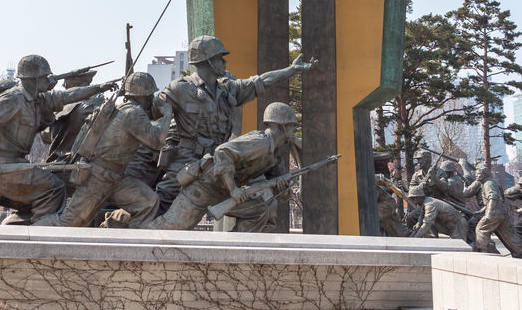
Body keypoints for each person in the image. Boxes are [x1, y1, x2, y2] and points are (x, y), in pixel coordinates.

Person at [0, 55, 114, 225]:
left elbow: (68, 95)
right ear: (33, 79)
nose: (49, 80)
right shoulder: (14, 98)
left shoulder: (37, 99)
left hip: (10, 165)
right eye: (44, 77)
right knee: (53, 188)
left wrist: (100, 87)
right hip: (1, 164)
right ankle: (41, 233)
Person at [155, 35, 316, 210]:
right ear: (209, 61)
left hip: (220, 162)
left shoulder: (227, 89)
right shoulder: (179, 88)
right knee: (162, 200)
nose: (224, 62)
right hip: (187, 161)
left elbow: (261, 81)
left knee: (259, 207)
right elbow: (150, 111)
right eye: (220, 58)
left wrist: (291, 70)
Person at [38, 72, 172, 228]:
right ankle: (29, 232)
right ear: (143, 95)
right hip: (98, 177)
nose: (152, 98)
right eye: (150, 94)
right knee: (68, 222)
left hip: (115, 177)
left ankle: (131, 244)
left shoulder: (122, 109)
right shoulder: (133, 113)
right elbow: (156, 141)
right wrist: (168, 113)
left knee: (147, 202)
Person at [155, 102, 302, 232]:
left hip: (223, 193)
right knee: (167, 228)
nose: (293, 131)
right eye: (292, 127)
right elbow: (222, 152)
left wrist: (283, 187)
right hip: (203, 188)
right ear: (282, 126)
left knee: (259, 210)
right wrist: (233, 189)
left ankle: (236, 250)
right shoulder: (260, 142)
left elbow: (282, 194)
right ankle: (132, 229)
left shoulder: (275, 156)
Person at [462, 164, 522, 258]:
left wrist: (488, 213)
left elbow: (493, 197)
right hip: (500, 212)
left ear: (484, 174)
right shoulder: (488, 182)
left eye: (478, 174)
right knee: (509, 235)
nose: (476, 175)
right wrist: (482, 211)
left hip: (494, 212)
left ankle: (483, 252)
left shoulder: (488, 184)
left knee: (481, 229)